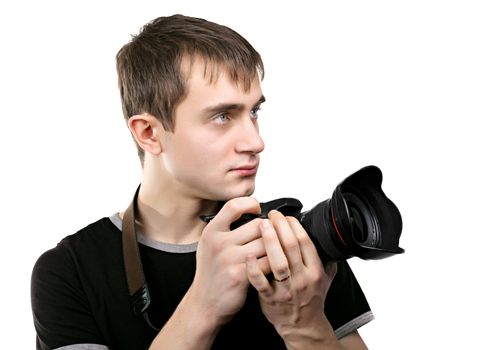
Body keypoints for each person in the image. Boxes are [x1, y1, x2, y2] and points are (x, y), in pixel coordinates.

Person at [31, 14, 374, 350]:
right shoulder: (70, 270)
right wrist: (203, 306)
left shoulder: (292, 238)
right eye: (223, 116)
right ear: (149, 133)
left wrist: (306, 327)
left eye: (254, 112)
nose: (255, 142)